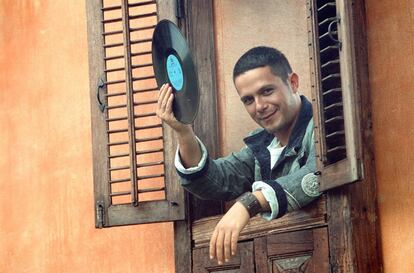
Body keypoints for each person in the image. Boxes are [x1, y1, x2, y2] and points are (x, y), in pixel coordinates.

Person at [156, 46, 320, 265]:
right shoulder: (260, 146)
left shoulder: (324, 126)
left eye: (267, 91)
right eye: (248, 100)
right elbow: (215, 180)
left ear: (292, 83)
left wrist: (247, 205)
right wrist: (183, 131)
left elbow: (318, 171)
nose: (260, 106)